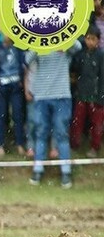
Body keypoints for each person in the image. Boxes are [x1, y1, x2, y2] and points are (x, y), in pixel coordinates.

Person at [27, 49, 76, 187]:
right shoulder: (38, 39)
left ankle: (66, 172)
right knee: (40, 133)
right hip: (41, 96)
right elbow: (27, 59)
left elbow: (77, 46)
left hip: (61, 95)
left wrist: (63, 42)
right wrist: (38, 44)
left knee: (62, 133)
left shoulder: (64, 39)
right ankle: (38, 169)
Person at [70, 28, 104, 153]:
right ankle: (74, 145)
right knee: (77, 122)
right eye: (88, 38)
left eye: (93, 39)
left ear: (98, 41)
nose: (90, 42)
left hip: (96, 96)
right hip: (81, 94)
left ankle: (94, 147)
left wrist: (101, 97)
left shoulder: (101, 56)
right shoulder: (80, 54)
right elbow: (74, 70)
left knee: (97, 124)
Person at [0, 33, 26, 156]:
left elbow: (23, 63)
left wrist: (22, 80)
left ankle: (19, 143)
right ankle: (0, 144)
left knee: (17, 115)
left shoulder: (18, 47)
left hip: (16, 85)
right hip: (2, 84)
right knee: (1, 115)